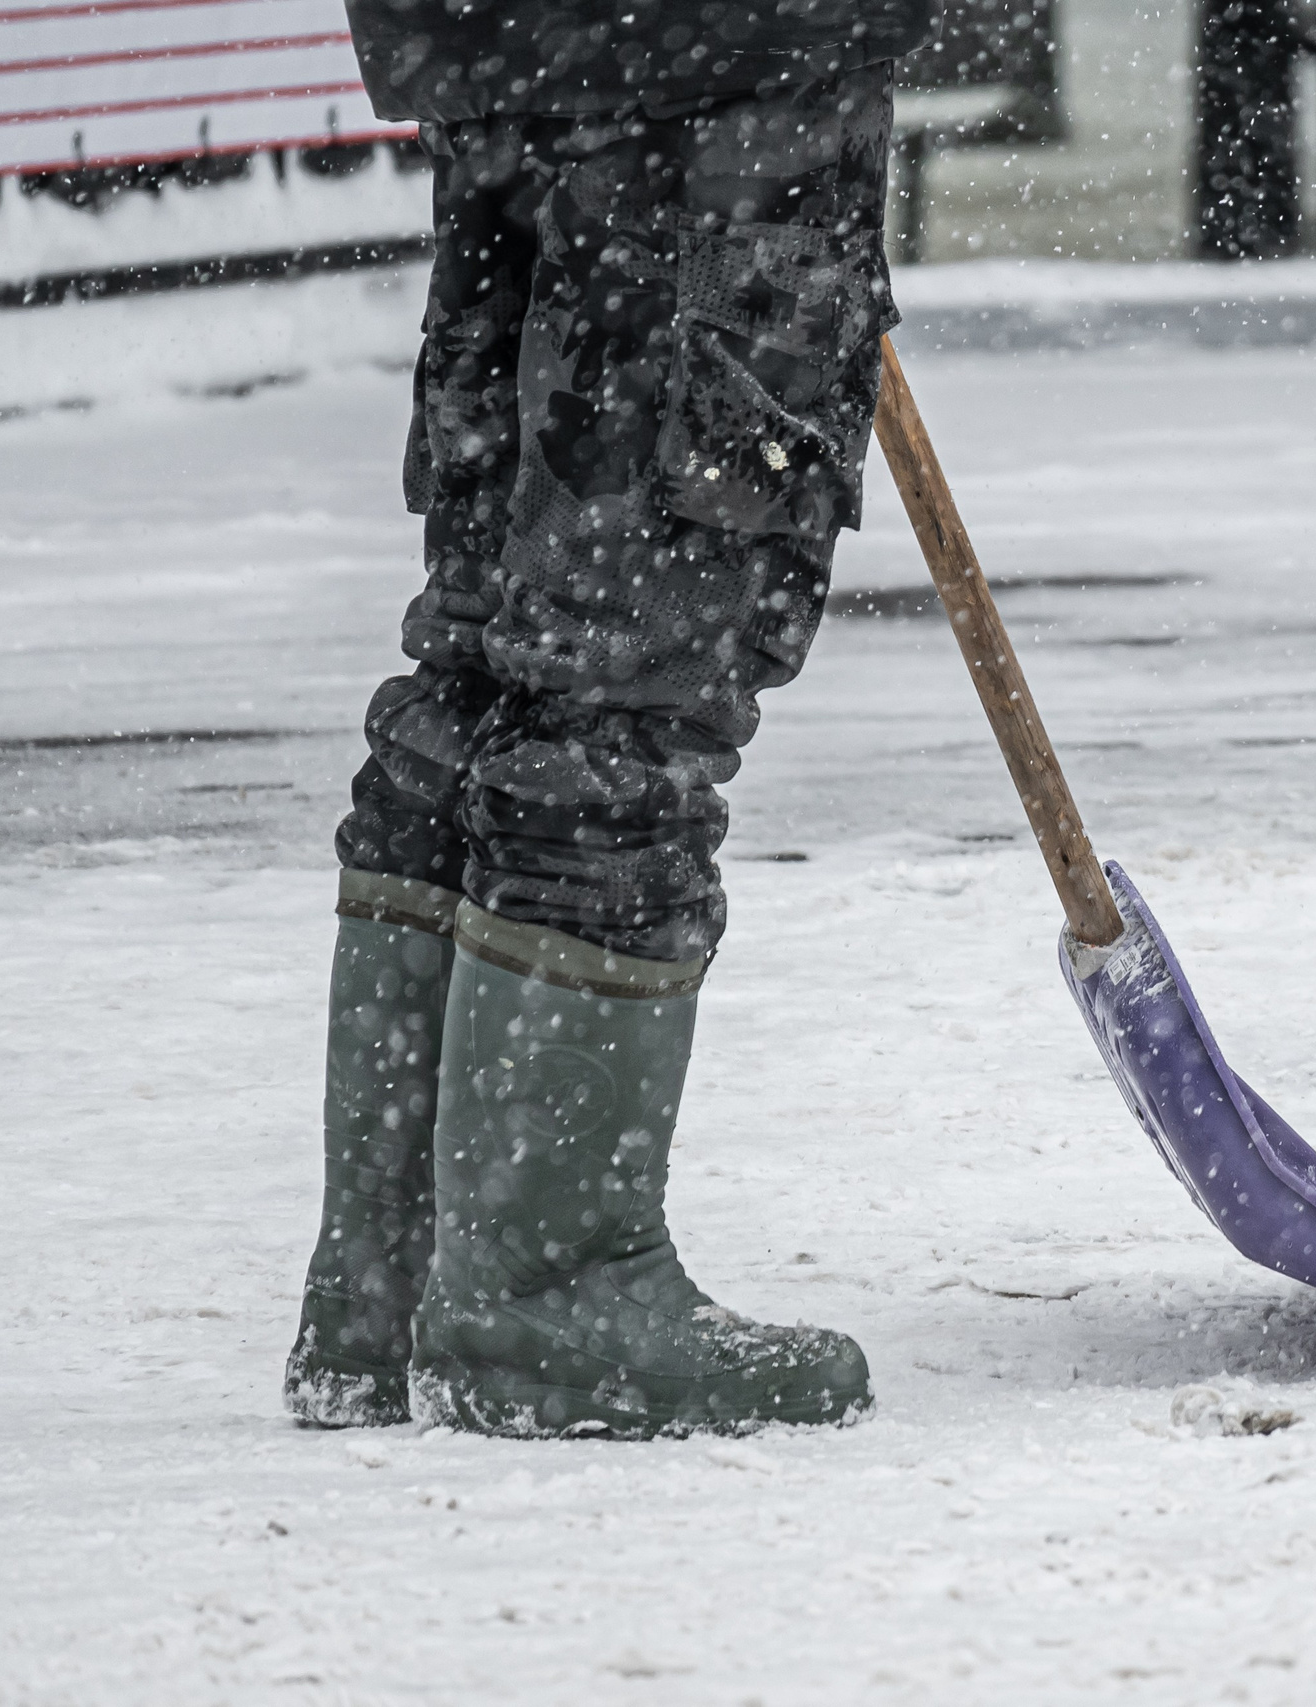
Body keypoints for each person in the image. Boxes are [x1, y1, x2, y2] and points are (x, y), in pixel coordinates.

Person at [281, 0, 933, 1437]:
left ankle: (390, 1286)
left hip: (510, 42)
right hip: (722, 54)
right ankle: (545, 1292)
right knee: (633, 667)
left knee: (492, 651)